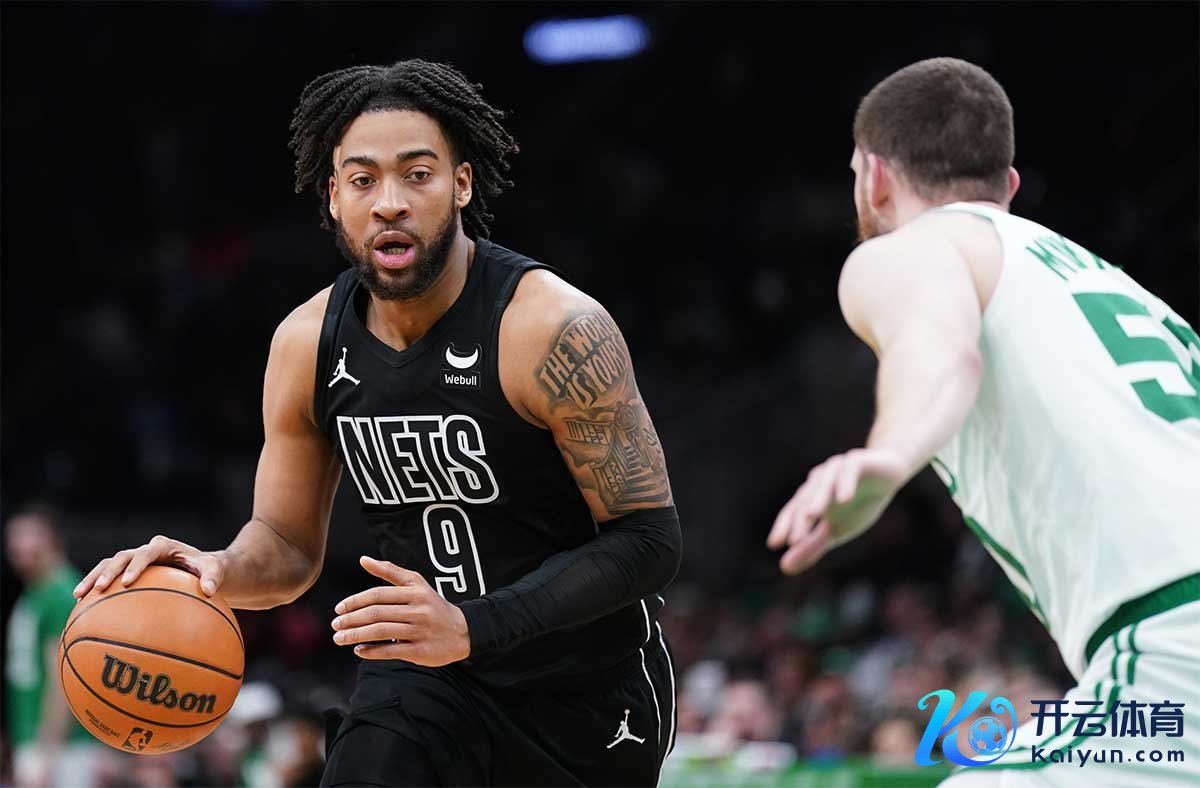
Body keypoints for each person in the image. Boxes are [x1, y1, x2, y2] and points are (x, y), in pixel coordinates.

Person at [75, 59, 681, 787]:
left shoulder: (551, 327)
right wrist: (219, 570)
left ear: (461, 184)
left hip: (584, 686)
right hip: (421, 681)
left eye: (417, 175)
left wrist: (472, 625)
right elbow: (286, 545)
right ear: (334, 197)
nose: (389, 202)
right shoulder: (307, 343)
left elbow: (649, 540)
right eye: (362, 180)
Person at [768, 58, 1199, 785]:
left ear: (874, 178)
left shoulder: (910, 249)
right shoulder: (1115, 288)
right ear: (1009, 186)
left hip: (1174, 643)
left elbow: (940, 350)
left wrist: (889, 457)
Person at [5, 504, 101, 788]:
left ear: (52, 539)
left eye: (27, 535)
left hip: (62, 748)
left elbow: (64, 678)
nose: (16, 545)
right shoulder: (36, 592)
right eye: (12, 537)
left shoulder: (62, 593)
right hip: (37, 740)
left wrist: (47, 752)